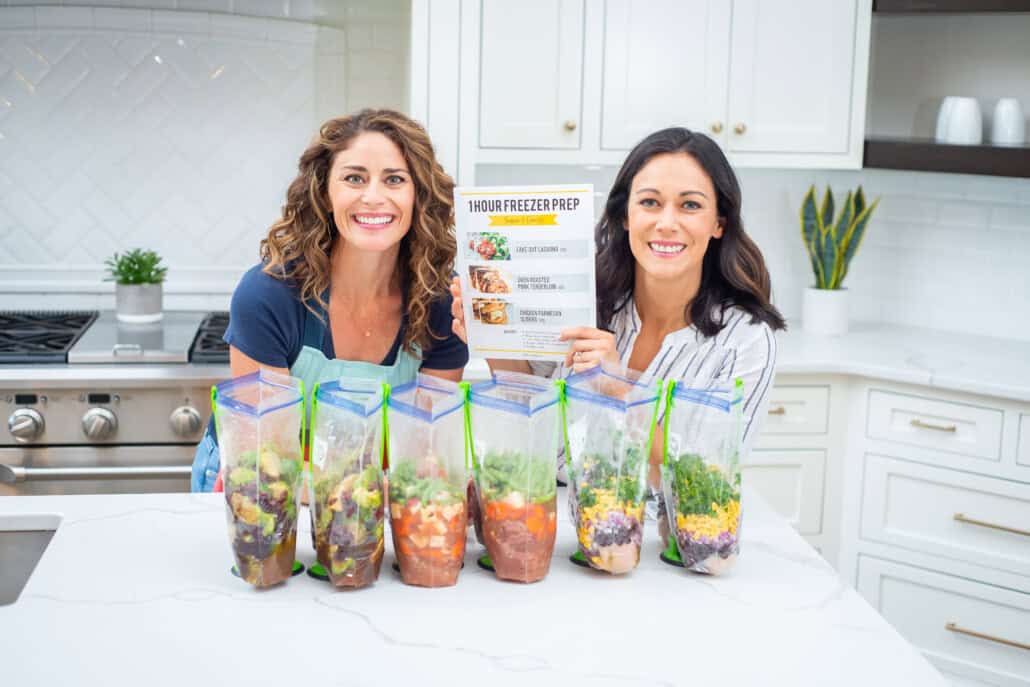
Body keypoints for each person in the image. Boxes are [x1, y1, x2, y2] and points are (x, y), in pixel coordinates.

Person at [450, 127, 785, 484]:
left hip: (660, 532)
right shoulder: (584, 297)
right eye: (650, 202)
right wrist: (493, 339)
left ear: (719, 223)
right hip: (553, 514)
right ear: (626, 216)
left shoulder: (745, 342)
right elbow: (530, 409)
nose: (666, 223)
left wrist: (617, 388)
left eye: (690, 205)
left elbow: (706, 480)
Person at [191, 109, 468, 492]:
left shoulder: (441, 301)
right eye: (354, 178)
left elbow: (422, 449)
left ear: (418, 195)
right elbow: (269, 459)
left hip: (372, 496)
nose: (373, 197)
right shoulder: (270, 295)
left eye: (395, 180)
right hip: (261, 491)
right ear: (325, 192)